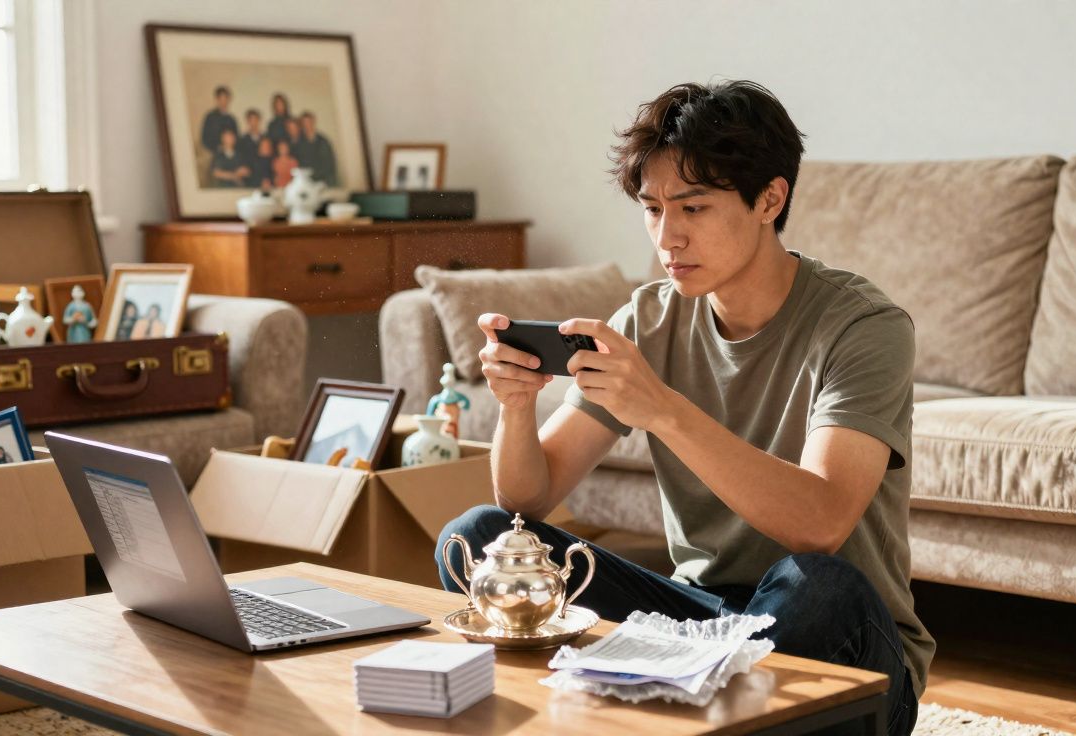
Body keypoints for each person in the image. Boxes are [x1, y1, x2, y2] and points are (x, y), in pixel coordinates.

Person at [437, 80, 931, 736]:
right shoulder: (648, 317)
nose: (668, 237)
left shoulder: (862, 326)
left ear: (770, 199)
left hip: (848, 648)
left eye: (693, 208)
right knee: (479, 537)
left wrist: (664, 410)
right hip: (696, 625)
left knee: (816, 583)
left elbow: (821, 524)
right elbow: (530, 496)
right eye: (652, 209)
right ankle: (660, 710)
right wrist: (517, 407)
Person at [292, 111, 339, 186]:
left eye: (309, 122)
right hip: (306, 183)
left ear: (314, 122)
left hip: (323, 181)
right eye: (304, 123)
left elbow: (329, 164)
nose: (307, 125)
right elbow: (298, 162)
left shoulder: (323, 141)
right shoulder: (299, 143)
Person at [199, 86, 237, 157]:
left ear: (229, 100)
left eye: (225, 99)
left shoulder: (232, 119)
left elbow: (237, 138)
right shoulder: (210, 117)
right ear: (217, 100)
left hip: (232, 155)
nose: (223, 102)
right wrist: (218, 148)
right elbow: (204, 139)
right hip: (216, 155)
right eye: (221, 99)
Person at [239, 108, 267, 187]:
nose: (253, 123)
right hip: (248, 177)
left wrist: (266, 177)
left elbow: (268, 159)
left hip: (263, 176)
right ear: (247, 121)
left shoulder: (265, 138)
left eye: (255, 120)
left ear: (259, 121)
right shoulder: (242, 140)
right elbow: (240, 158)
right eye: (251, 120)